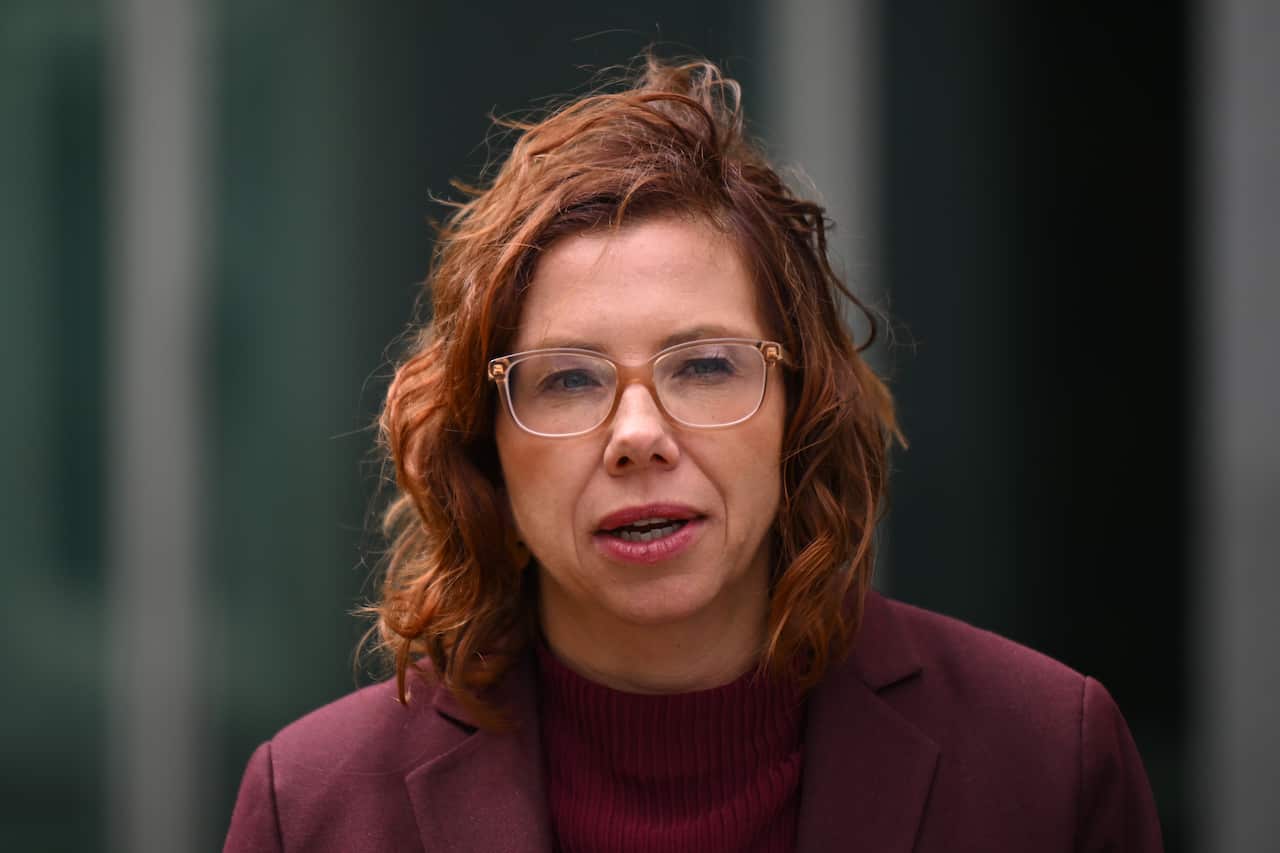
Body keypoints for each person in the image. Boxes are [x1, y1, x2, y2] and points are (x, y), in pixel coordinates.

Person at [224, 56, 1163, 852]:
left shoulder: (1046, 759)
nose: (638, 436)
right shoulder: (316, 806)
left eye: (706, 364)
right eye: (570, 380)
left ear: (800, 407)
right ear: (487, 442)